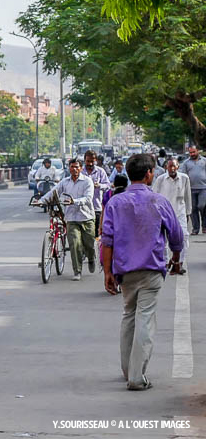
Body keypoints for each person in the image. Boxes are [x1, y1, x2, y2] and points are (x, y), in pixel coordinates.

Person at [101, 154, 184, 391]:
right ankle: (136, 377)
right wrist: (176, 258)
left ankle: (128, 369)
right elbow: (176, 236)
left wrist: (107, 273)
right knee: (145, 317)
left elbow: (107, 240)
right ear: (148, 174)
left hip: (125, 271)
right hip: (151, 269)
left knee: (129, 314)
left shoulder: (116, 202)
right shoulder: (159, 201)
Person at [41, 158, 96, 280]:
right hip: (71, 218)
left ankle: (91, 258)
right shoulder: (65, 182)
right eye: (72, 167)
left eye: (77, 167)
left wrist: (74, 201)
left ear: (81, 168)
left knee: (89, 245)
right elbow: (53, 192)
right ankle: (77, 271)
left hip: (86, 217)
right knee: (74, 244)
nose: (74, 169)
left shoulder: (87, 181)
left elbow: (88, 198)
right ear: (69, 168)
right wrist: (40, 201)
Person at [152, 158, 191, 275]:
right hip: (163, 214)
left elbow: (188, 197)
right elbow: (153, 197)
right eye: (170, 166)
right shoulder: (160, 180)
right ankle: (164, 263)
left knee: (184, 237)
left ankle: (179, 262)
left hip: (180, 213)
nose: (172, 169)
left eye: (174, 166)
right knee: (162, 240)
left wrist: (188, 212)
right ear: (166, 168)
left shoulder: (184, 178)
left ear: (178, 167)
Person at [82, 150, 111, 236]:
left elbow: (108, 185)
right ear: (84, 160)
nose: (90, 163)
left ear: (95, 161)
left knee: (96, 234)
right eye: (88, 161)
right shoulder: (80, 172)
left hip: (96, 207)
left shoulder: (100, 171)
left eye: (92, 161)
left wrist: (99, 185)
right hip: (83, 209)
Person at [179, 146, 206, 236]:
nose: (192, 154)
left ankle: (204, 226)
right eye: (190, 153)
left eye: (194, 152)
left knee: (202, 206)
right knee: (193, 209)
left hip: (203, 188)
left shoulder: (204, 161)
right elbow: (183, 176)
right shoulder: (186, 163)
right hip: (191, 189)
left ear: (198, 151)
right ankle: (195, 229)